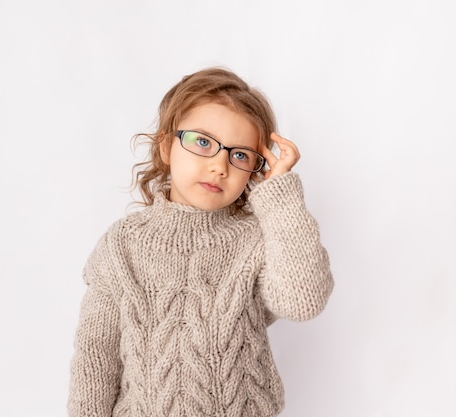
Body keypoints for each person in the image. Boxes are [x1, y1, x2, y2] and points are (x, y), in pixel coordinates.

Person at [68, 67, 334, 417]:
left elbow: (304, 301)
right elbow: (95, 357)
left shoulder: (258, 239)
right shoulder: (121, 246)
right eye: (203, 142)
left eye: (240, 155)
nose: (219, 166)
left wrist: (280, 195)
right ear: (166, 146)